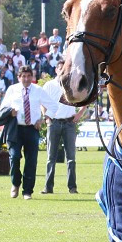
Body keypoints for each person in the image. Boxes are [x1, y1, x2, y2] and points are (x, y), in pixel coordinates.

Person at [0, 65, 58, 200]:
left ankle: (27, 191)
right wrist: (10, 112)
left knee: (31, 161)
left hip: (32, 128)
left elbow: (53, 105)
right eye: (23, 76)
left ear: (32, 77)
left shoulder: (38, 90)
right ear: (19, 77)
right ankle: (15, 183)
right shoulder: (12, 90)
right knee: (14, 157)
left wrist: (43, 119)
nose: (26, 79)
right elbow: (3, 108)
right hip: (15, 128)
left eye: (28, 76)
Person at [41, 67, 83, 195]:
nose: (63, 71)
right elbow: (42, 103)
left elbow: (84, 99)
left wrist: (79, 114)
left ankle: (72, 187)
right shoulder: (49, 85)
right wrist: (47, 118)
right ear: (56, 70)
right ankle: (48, 187)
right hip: (54, 122)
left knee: (71, 157)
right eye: (61, 68)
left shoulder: (73, 84)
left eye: (66, 69)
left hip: (69, 123)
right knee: (50, 157)